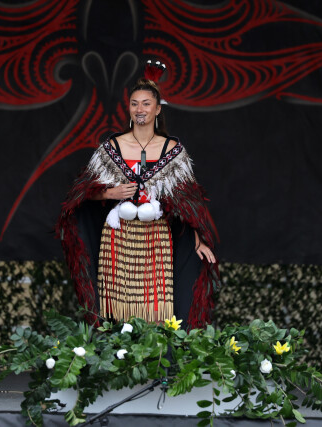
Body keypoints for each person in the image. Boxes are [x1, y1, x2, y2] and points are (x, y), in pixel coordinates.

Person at [57, 64, 220, 329]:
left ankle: (157, 353)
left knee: (157, 309)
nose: (139, 109)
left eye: (146, 103)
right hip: (118, 237)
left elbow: (189, 203)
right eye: (134, 104)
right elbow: (82, 193)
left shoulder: (173, 150)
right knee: (119, 311)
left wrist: (197, 239)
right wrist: (110, 192)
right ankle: (122, 354)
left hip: (157, 238)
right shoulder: (111, 147)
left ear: (157, 109)